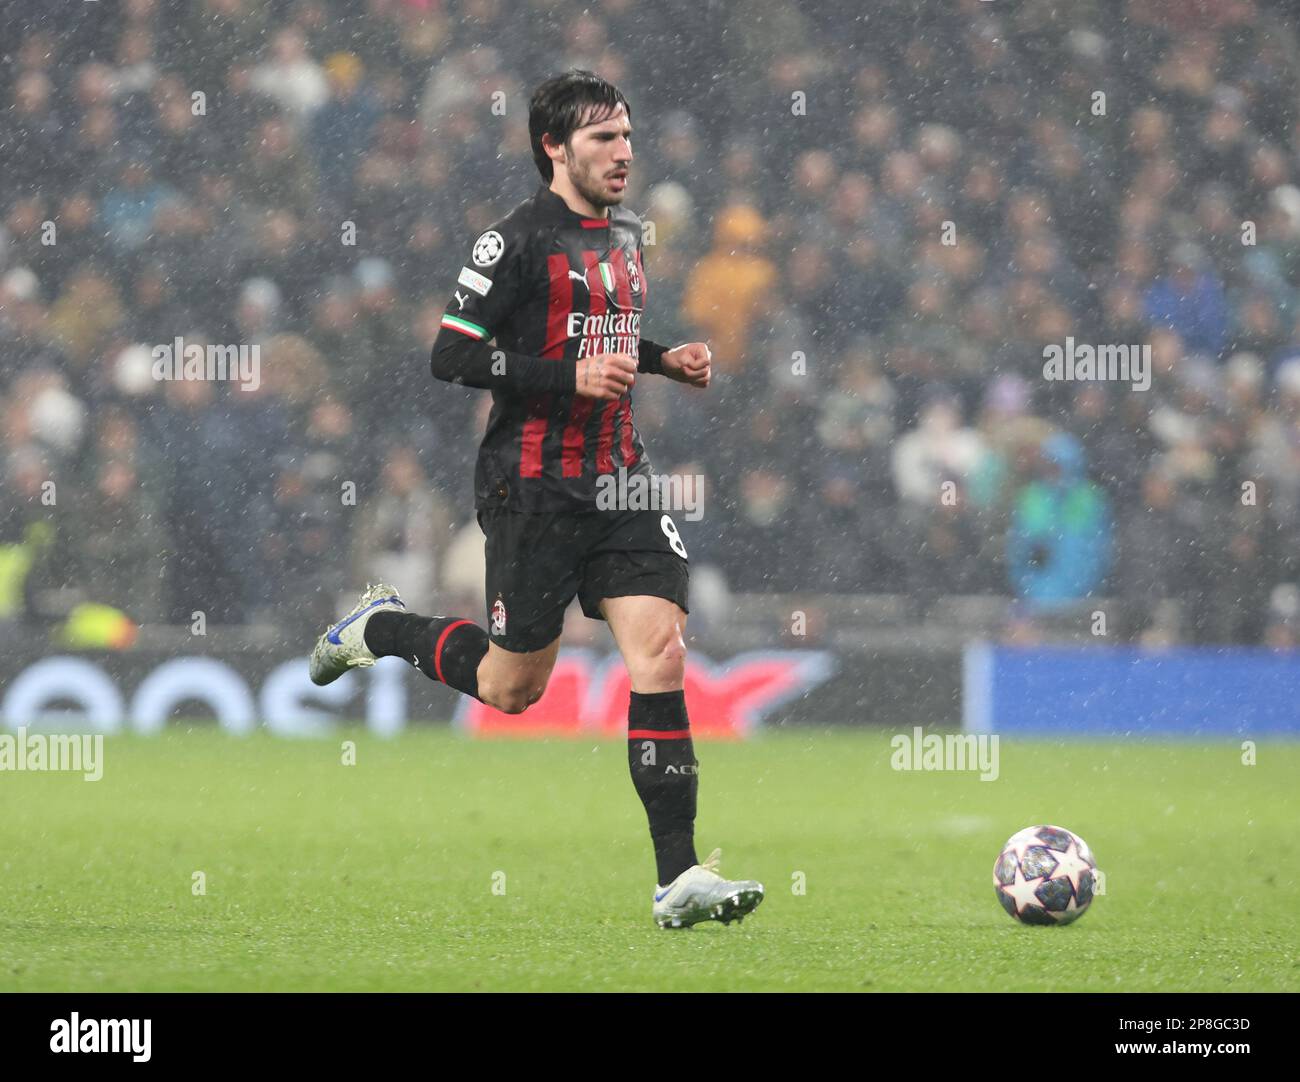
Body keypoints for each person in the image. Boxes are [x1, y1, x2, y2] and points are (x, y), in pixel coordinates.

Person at [308, 70, 762, 929]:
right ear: (554, 147)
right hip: (533, 487)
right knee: (514, 688)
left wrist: (664, 360)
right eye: (602, 139)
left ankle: (678, 878)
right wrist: (569, 377)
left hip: (621, 477)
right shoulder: (511, 241)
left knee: (661, 650)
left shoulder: (627, 232)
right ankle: (378, 629)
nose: (623, 152)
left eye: (627, 134)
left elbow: (604, 332)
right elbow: (451, 353)